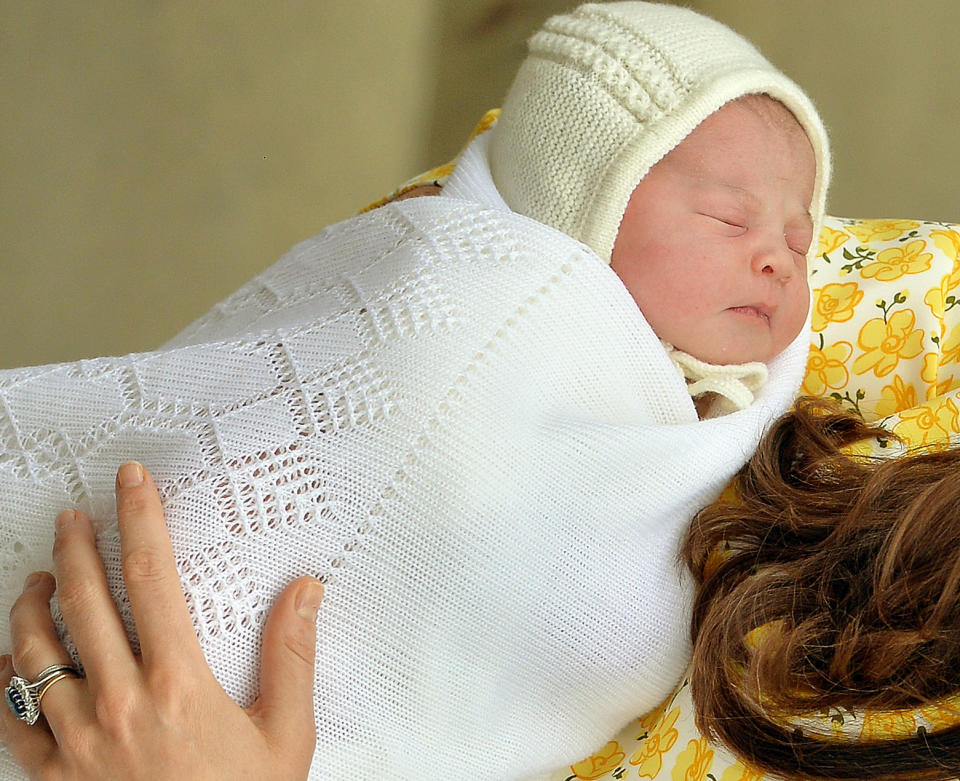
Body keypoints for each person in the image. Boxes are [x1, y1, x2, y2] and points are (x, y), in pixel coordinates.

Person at [0, 3, 831, 779]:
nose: (781, 259)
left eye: (800, 238)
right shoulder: (467, 313)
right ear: (584, 196)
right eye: (730, 219)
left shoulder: (728, 436)